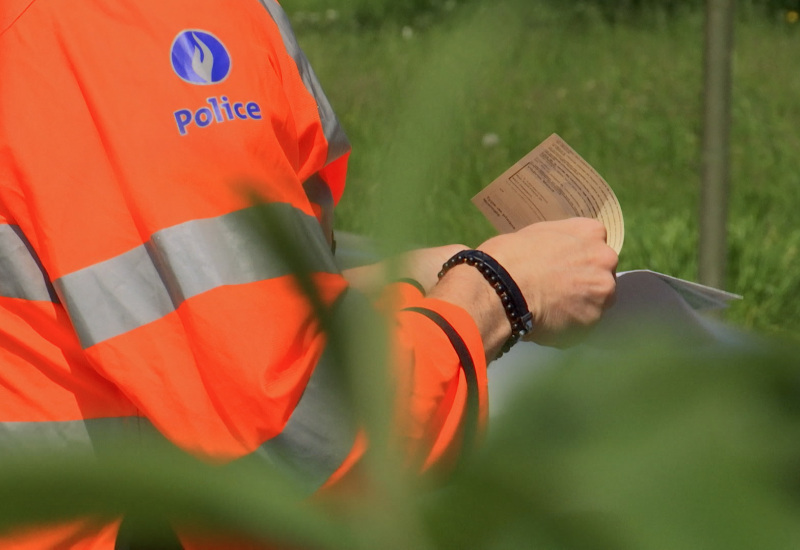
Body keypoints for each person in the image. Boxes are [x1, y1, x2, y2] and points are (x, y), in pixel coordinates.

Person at [0, 0, 617, 547]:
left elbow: (147, 308)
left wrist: (404, 279)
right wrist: (502, 289)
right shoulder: (130, 26)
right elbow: (304, 429)